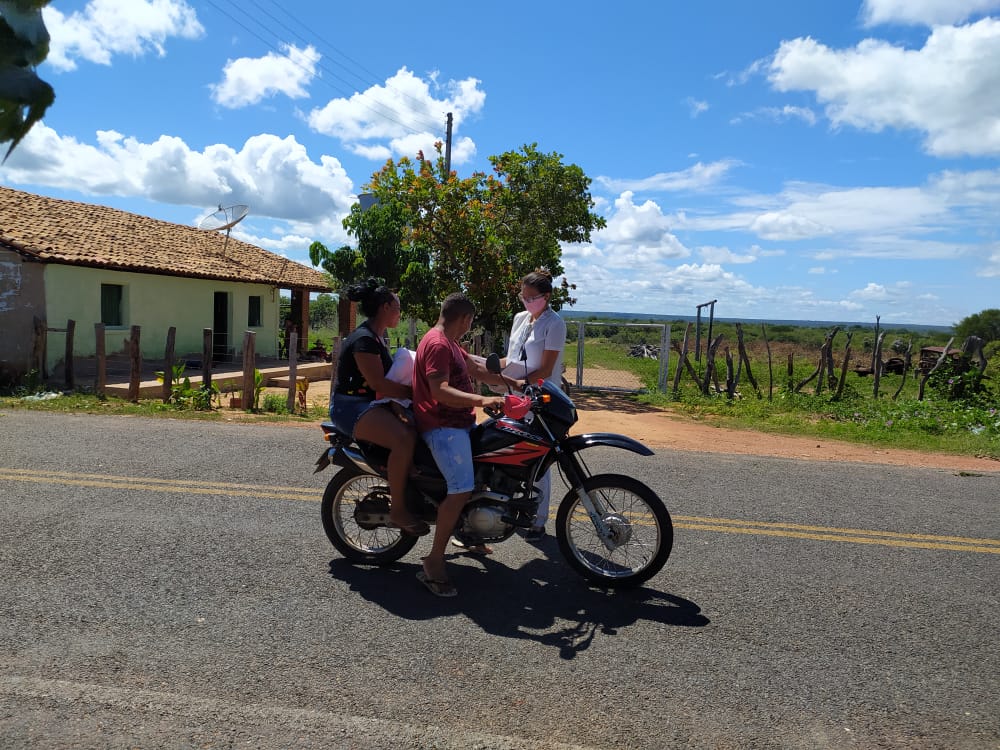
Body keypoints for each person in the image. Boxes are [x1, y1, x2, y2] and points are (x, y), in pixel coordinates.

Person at [412, 293, 509, 597]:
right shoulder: (438, 344)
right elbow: (439, 391)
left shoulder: (451, 343)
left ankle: (468, 533)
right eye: (471, 321)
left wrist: (518, 385)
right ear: (465, 319)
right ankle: (434, 561)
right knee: (461, 489)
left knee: (484, 472)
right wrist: (483, 400)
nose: (470, 326)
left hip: (459, 423)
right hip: (442, 427)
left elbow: (476, 370)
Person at [329, 279, 427, 536]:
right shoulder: (364, 340)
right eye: (397, 308)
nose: (399, 313)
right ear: (385, 307)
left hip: (371, 404)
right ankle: (398, 510)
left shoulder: (378, 337)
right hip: (351, 407)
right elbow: (379, 384)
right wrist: (416, 394)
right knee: (403, 438)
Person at [500, 269, 567, 542]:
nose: (527, 302)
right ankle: (512, 509)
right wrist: (487, 369)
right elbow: (511, 358)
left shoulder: (555, 324)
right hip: (516, 396)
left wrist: (518, 384)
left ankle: (538, 521)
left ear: (546, 297)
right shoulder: (520, 319)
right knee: (511, 454)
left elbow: (546, 369)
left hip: (540, 399)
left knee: (539, 462)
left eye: (532, 298)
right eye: (523, 297)